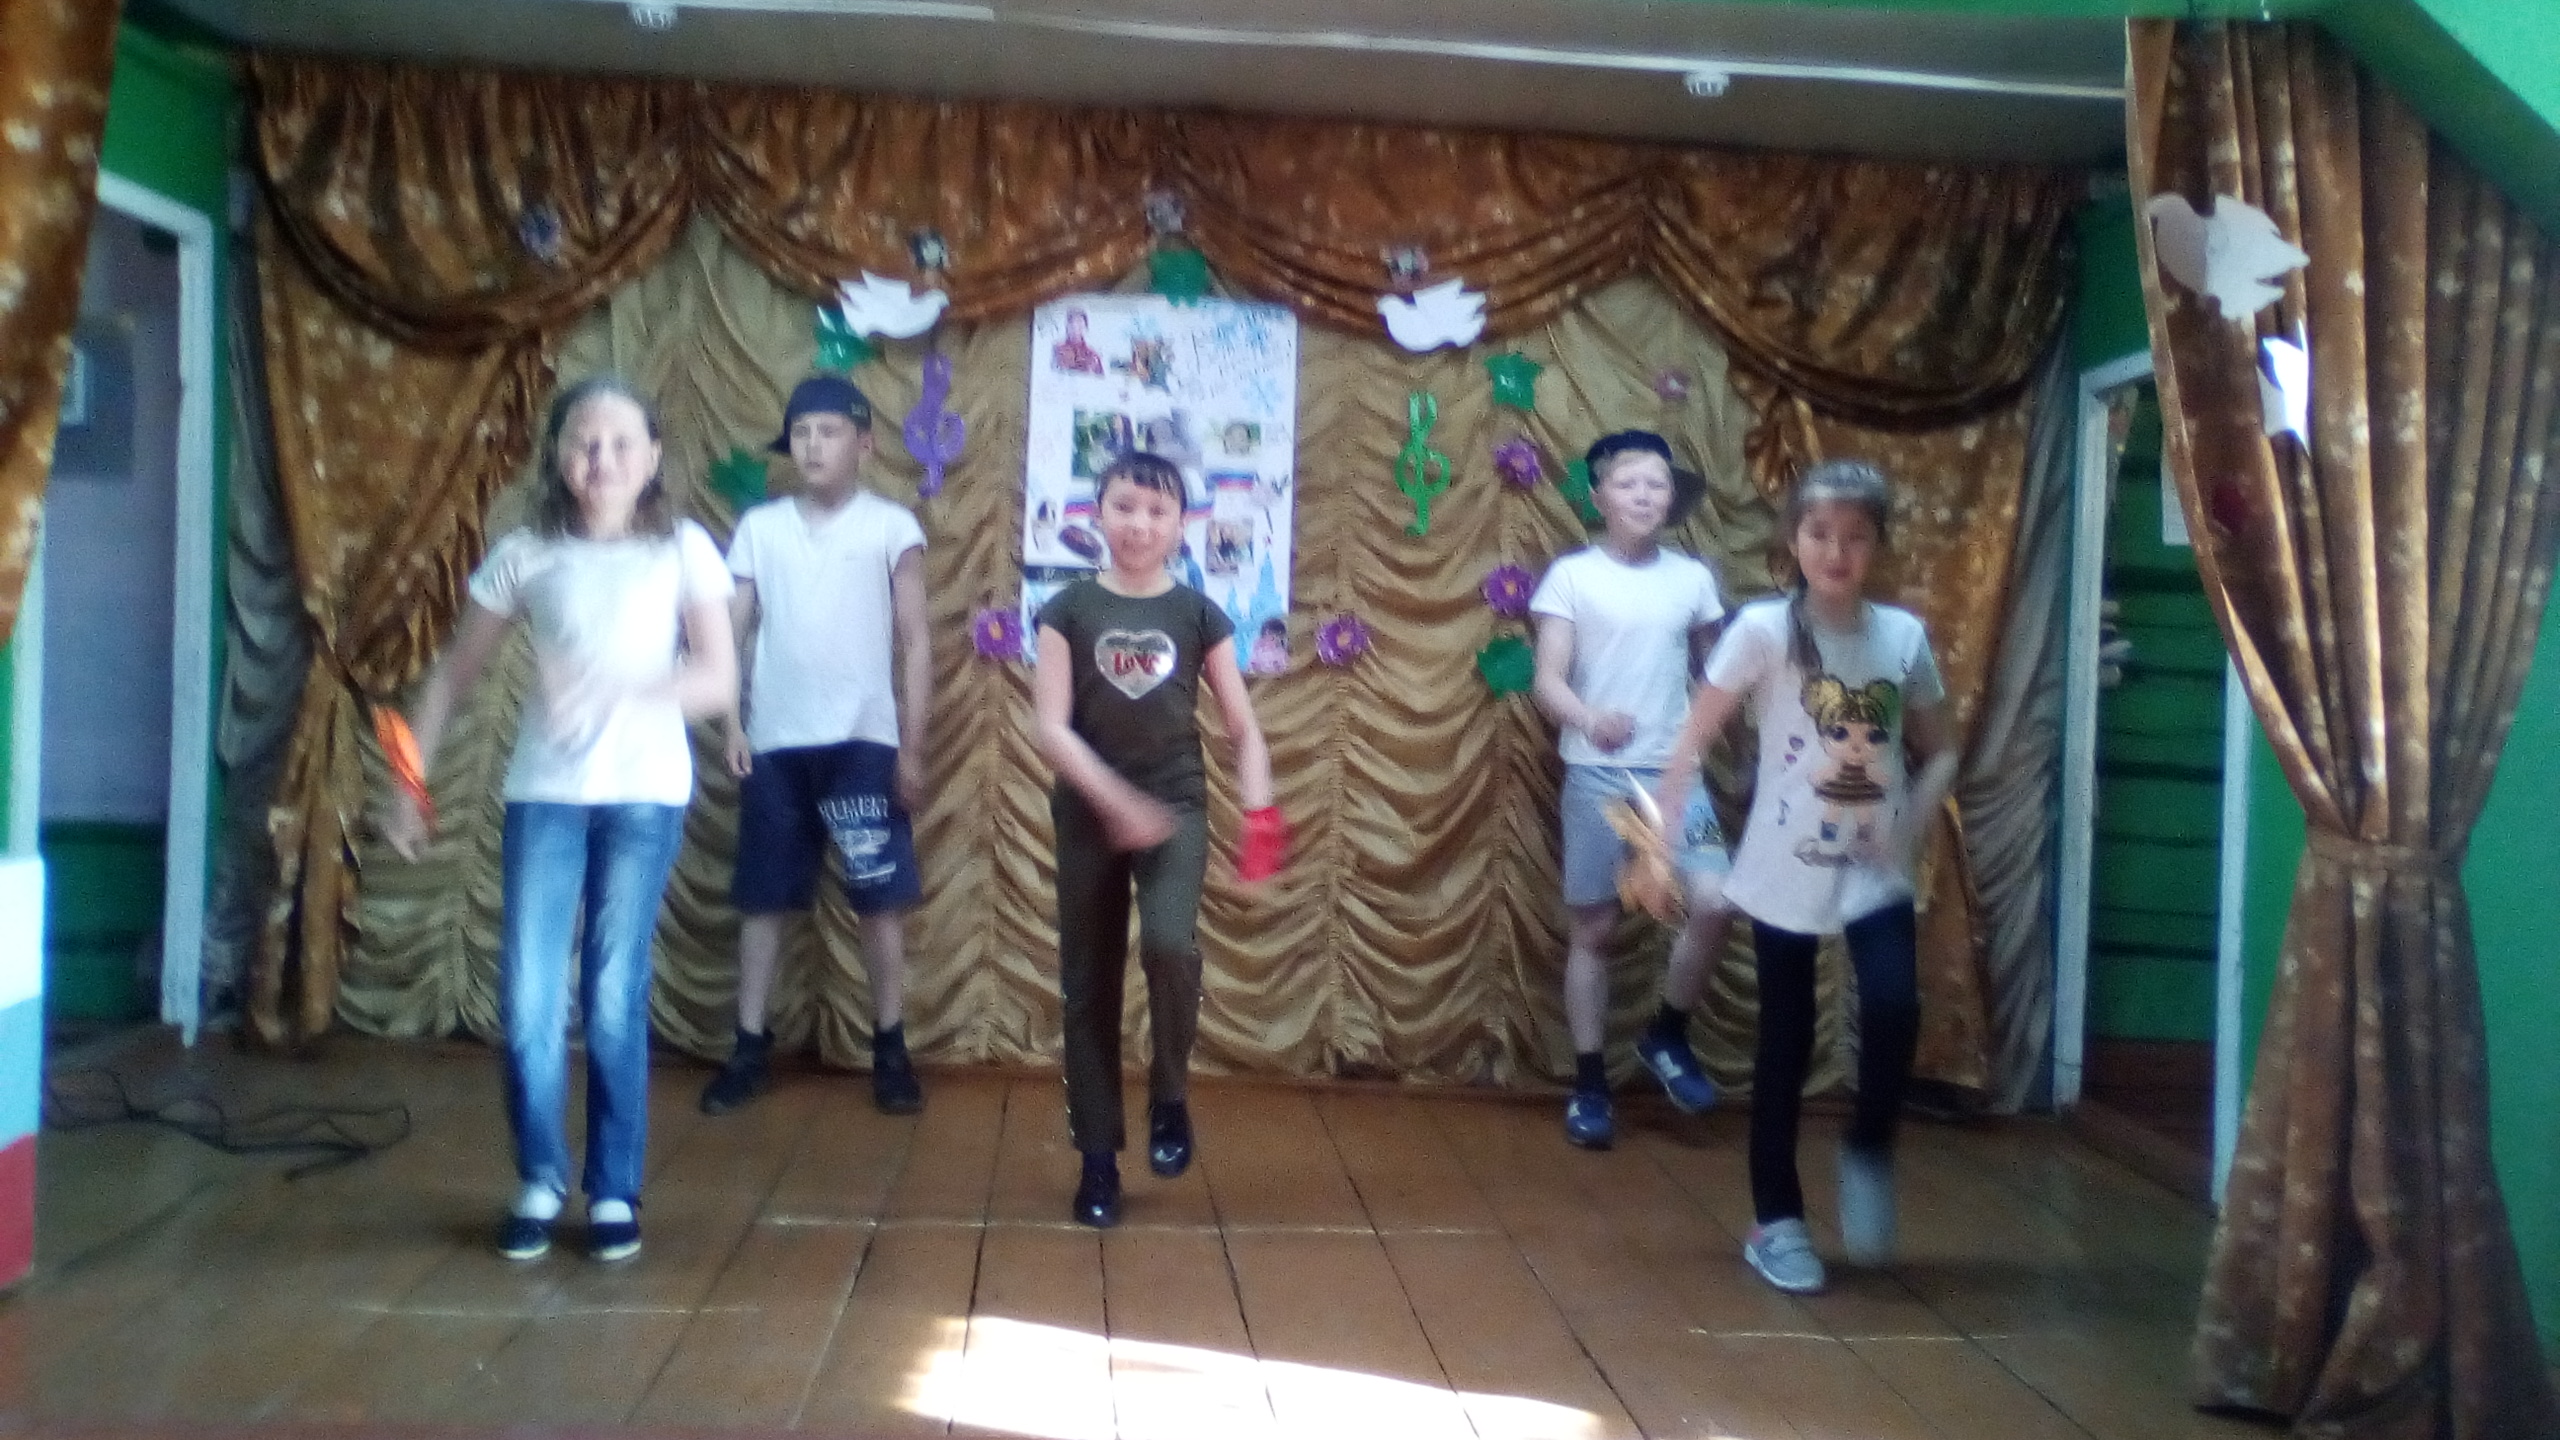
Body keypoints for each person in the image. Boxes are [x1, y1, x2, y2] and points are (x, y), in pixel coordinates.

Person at [385, 374, 737, 1264]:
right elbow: (449, 680)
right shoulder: (526, 553)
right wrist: (408, 786)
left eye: (620, 443)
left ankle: (613, 1188)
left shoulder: (683, 549)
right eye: (583, 442)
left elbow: (717, 678)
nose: (601, 459)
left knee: (615, 990)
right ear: (557, 456)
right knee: (530, 996)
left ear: (652, 457)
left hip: (645, 795)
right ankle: (540, 1175)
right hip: (546, 796)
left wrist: (621, 690)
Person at [1652, 458, 1958, 1296]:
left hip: (1873, 867)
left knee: (1893, 1006)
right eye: (1820, 533)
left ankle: (1868, 1146)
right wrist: (1665, 830)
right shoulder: (1762, 630)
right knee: (1784, 1041)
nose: (1836, 551)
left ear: (1878, 546)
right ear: (1793, 540)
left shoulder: (1901, 638)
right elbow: (1692, 737)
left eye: (1856, 537)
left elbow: (1941, 751)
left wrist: (1907, 825)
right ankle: (1776, 1220)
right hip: (1783, 861)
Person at [1032, 450, 1279, 1229]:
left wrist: (1261, 821)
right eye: (1125, 507)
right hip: (1087, 812)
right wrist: (1114, 803)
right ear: (1097, 514)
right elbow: (1050, 729)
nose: (1140, 523)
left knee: (1170, 947)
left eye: (1157, 511)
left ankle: (1169, 1094)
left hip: (1175, 806)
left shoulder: (1198, 614)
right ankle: (1098, 1158)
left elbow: (1244, 729)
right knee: (1089, 984)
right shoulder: (1067, 609)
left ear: (1181, 525)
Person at [700, 376, 932, 1118]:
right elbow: (729, 633)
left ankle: (890, 1050)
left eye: (828, 432)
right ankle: (748, 1048)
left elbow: (916, 641)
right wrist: (732, 724)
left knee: (879, 901)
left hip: (864, 744)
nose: (812, 446)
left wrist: (912, 748)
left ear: (864, 442)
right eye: (801, 433)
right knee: (763, 900)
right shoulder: (760, 529)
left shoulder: (892, 526)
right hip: (775, 744)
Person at [1529, 430, 1736, 1151]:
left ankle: (1667, 1034)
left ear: (1671, 499)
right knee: (1595, 931)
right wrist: (1590, 719)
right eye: (1628, 484)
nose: (1644, 496)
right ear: (1600, 498)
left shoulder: (1693, 581)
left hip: (1676, 777)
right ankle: (1590, 1085)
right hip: (1598, 776)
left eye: (1657, 485)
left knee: (1715, 902)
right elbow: (1547, 679)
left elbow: (1720, 673)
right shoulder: (1571, 577)